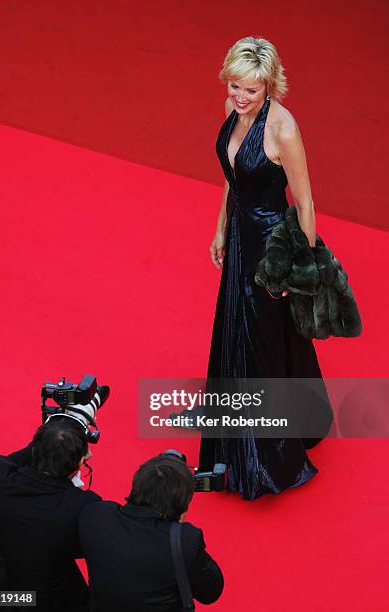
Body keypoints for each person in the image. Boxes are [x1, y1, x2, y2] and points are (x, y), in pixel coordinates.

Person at [198, 36, 332, 500]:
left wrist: (296, 265)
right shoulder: (233, 111)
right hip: (240, 239)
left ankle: (267, 455)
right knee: (241, 331)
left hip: (271, 247)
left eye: (250, 90)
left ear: (270, 84)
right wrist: (220, 228)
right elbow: (232, 176)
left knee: (263, 343)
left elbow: (306, 201)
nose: (239, 96)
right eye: (234, 85)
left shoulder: (283, 129)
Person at [0, 416, 101, 611]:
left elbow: (14, 460)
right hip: (34, 602)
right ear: (82, 461)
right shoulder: (83, 508)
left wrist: (53, 432)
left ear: (34, 449)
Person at [79, 454, 224, 611]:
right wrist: (177, 527)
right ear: (182, 504)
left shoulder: (96, 514)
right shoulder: (185, 540)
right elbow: (211, 592)